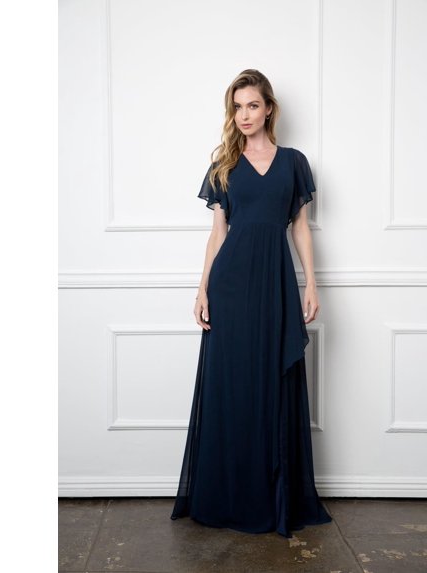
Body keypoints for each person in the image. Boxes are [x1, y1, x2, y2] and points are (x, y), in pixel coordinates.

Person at [170, 69, 332, 538]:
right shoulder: (224, 165)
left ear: (268, 109)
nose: (244, 115)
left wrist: (311, 283)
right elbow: (217, 234)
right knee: (233, 385)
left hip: (276, 282)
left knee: (272, 384)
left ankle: (272, 495)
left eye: (253, 105)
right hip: (230, 286)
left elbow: (299, 226)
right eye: (237, 107)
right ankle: (229, 495)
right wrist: (202, 289)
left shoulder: (294, 162)